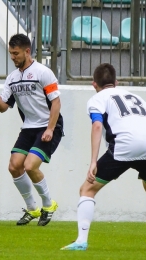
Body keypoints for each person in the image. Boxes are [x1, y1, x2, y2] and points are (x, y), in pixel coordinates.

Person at [60, 63, 146, 250]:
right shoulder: (134, 95)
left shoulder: (97, 98)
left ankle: (81, 241)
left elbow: (97, 125)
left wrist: (92, 161)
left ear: (94, 84)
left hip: (124, 146)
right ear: (116, 82)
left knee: (87, 189)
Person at [0, 33, 64, 226]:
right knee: (14, 166)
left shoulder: (43, 72)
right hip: (29, 127)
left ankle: (48, 204)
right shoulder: (12, 78)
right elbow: (3, 107)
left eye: (16, 53)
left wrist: (50, 129)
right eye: (11, 53)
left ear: (27, 52)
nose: (13, 57)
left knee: (30, 166)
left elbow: (56, 102)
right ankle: (32, 209)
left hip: (48, 125)